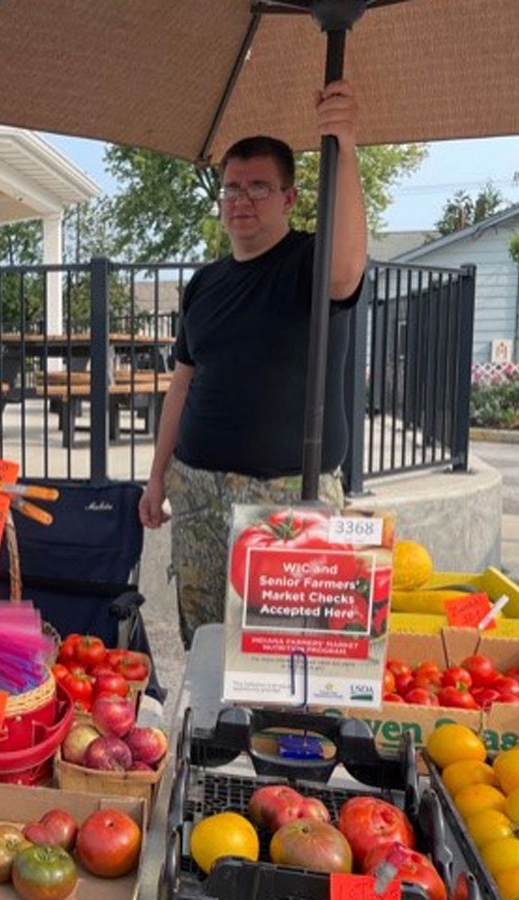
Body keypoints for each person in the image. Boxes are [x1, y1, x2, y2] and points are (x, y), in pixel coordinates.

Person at [139, 80, 367, 649]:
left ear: (290, 198)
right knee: (208, 645)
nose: (241, 199)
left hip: (289, 497)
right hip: (197, 492)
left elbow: (346, 272)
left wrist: (344, 138)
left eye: (259, 187)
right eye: (231, 187)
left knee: (287, 655)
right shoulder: (204, 284)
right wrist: (156, 475)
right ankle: (213, 741)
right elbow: (182, 386)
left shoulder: (312, 265)